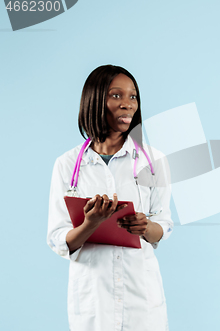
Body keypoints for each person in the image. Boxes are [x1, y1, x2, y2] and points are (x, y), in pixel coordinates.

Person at [47, 65, 173, 331]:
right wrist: (90, 223)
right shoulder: (67, 164)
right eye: (116, 96)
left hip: (141, 298)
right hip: (93, 300)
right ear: (94, 101)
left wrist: (145, 227)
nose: (127, 104)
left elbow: (163, 227)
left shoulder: (154, 161)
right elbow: (60, 241)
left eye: (133, 97)